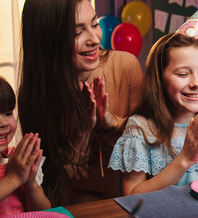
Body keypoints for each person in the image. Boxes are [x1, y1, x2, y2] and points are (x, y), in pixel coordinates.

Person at [18, 0, 144, 206]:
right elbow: (51, 182)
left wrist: (110, 123)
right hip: (70, 212)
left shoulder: (125, 66)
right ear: (48, 39)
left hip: (126, 205)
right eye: (77, 32)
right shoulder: (37, 92)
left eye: (94, 24)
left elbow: (150, 146)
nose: (94, 39)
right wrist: (83, 134)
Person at [108, 33, 198, 195]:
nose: (196, 83)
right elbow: (131, 196)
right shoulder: (141, 128)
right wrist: (184, 159)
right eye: (183, 74)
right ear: (159, 79)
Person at [0, 64, 50, 218]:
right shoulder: (16, 170)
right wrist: (14, 178)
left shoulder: (18, 160)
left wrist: (30, 185)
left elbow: (44, 214)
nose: (3, 123)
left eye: (8, 113)